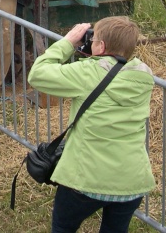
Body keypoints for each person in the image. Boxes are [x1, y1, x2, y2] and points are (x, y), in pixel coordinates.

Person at [28, 17, 155, 233]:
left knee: (63, 227)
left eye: (94, 39)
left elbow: (38, 75)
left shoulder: (87, 72)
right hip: (131, 182)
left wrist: (68, 42)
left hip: (86, 180)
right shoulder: (144, 77)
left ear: (101, 46)